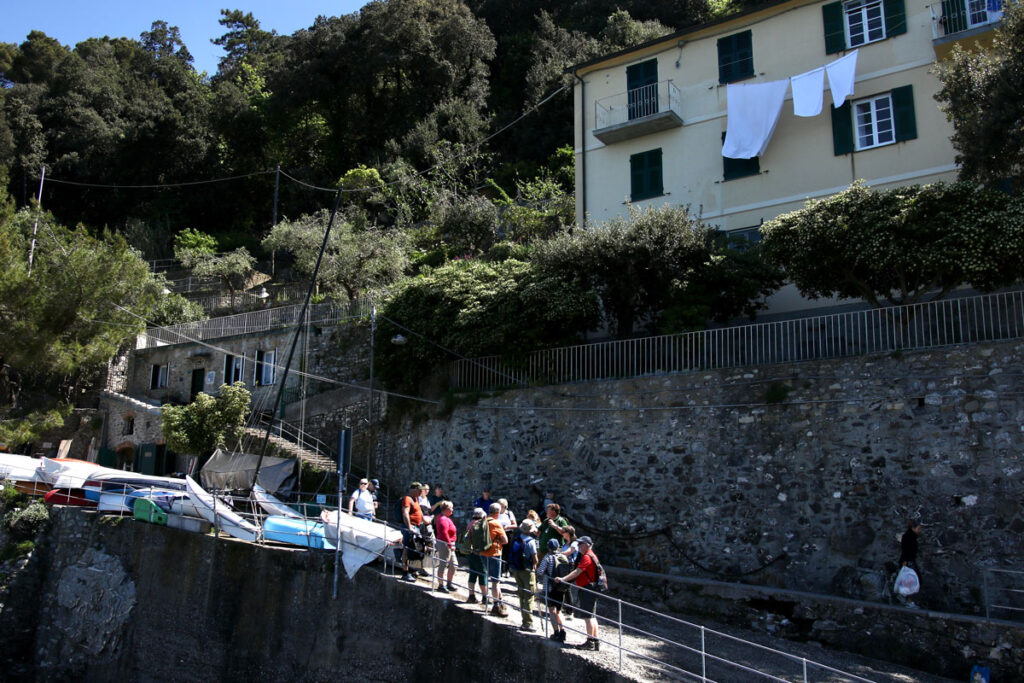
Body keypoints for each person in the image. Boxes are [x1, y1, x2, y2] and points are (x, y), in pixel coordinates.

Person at [556, 536, 602, 650]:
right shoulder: (592, 555)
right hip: (592, 587)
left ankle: (590, 642)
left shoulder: (587, 557)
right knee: (592, 615)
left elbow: (577, 572)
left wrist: (563, 579)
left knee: (588, 616)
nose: (579, 546)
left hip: (587, 589)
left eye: (581, 544)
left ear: (587, 545)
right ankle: (595, 640)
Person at [537, 538, 570, 642]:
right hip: (562, 588)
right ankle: (562, 631)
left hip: (550, 588)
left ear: (549, 547)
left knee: (552, 611)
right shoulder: (563, 557)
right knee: (559, 611)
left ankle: (556, 633)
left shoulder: (548, 558)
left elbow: (540, 571)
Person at [511, 519, 539, 631]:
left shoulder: (516, 538)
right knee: (529, 596)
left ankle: (524, 621)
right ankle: (528, 623)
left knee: (522, 595)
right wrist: (536, 568)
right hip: (527, 571)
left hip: (516, 569)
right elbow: (535, 559)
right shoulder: (531, 542)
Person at [483, 502, 508, 616]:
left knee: (491, 578)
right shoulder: (496, 523)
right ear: (497, 513)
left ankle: (500, 600)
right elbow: (505, 540)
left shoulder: (481, 521)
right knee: (495, 581)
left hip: (482, 553)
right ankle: (496, 605)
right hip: (494, 553)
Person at [400, 482, 426, 582]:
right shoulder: (407, 499)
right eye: (419, 490)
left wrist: (424, 520)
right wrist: (409, 526)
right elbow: (405, 512)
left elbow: (417, 512)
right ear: (414, 489)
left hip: (416, 527)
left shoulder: (415, 499)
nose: (421, 492)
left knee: (414, 548)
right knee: (406, 549)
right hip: (409, 528)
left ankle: (412, 570)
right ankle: (405, 572)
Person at [463, 507, 489, 606]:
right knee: (483, 573)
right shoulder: (480, 524)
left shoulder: (470, 523)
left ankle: (471, 595)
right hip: (478, 553)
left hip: (469, 551)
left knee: (473, 573)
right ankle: (485, 597)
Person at [433, 500, 458, 593]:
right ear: (446, 509)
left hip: (449, 543)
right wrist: (450, 544)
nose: (452, 510)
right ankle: (441, 585)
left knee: (454, 564)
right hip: (445, 544)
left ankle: (449, 583)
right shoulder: (443, 519)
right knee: (443, 564)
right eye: (451, 508)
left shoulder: (445, 518)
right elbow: (444, 534)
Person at [497, 498, 518, 577]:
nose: (499, 507)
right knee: (498, 552)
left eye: (501, 506)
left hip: (508, 534)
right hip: (498, 534)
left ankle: (506, 570)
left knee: (507, 552)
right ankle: (499, 570)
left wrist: (507, 526)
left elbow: (515, 525)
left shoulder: (509, 513)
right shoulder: (496, 513)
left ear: (505, 506)